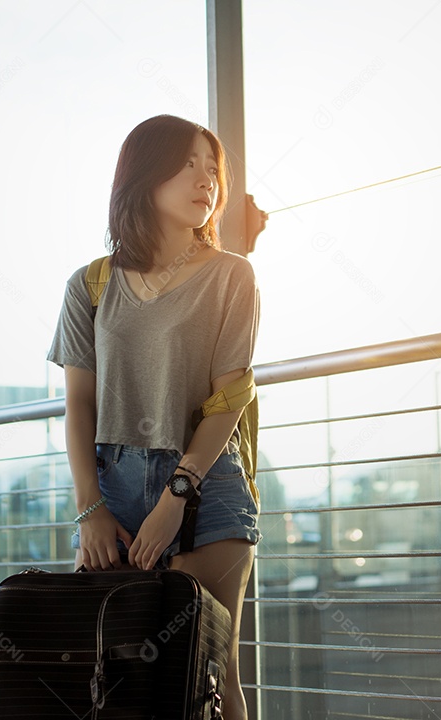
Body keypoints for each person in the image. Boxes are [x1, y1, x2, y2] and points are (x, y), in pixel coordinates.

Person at [47, 114, 268, 720]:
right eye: (188, 163)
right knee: (105, 670)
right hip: (111, 489)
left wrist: (177, 493)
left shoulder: (232, 276)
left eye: (212, 168)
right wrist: (91, 508)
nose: (206, 181)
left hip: (205, 486)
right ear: (145, 175)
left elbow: (230, 397)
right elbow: (80, 407)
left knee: (213, 673)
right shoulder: (90, 284)